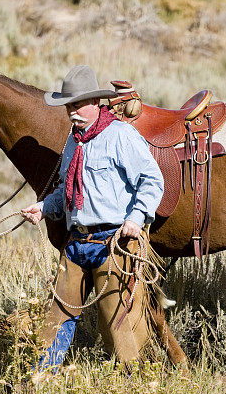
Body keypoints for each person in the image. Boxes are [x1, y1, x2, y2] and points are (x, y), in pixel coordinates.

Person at [21, 65, 164, 371]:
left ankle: (134, 391)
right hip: (76, 244)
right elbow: (67, 191)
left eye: (76, 105)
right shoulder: (73, 142)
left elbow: (152, 180)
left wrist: (136, 218)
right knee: (55, 319)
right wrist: (45, 207)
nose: (71, 112)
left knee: (119, 324)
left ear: (95, 103)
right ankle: (39, 384)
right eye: (68, 106)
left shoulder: (120, 136)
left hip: (113, 242)